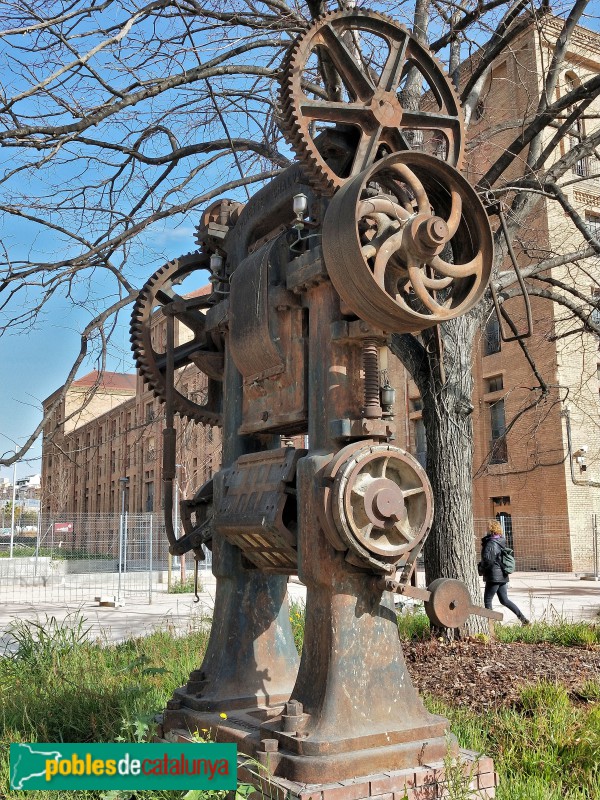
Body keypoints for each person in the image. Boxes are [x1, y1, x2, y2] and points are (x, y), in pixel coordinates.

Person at [480, 520, 529, 625]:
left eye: (488, 527)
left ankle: (491, 626)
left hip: (494, 576)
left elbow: (488, 560)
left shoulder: (491, 543)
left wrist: (479, 568)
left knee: (488, 600)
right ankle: (524, 620)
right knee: (504, 600)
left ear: (491, 529)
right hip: (502, 575)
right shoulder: (500, 541)